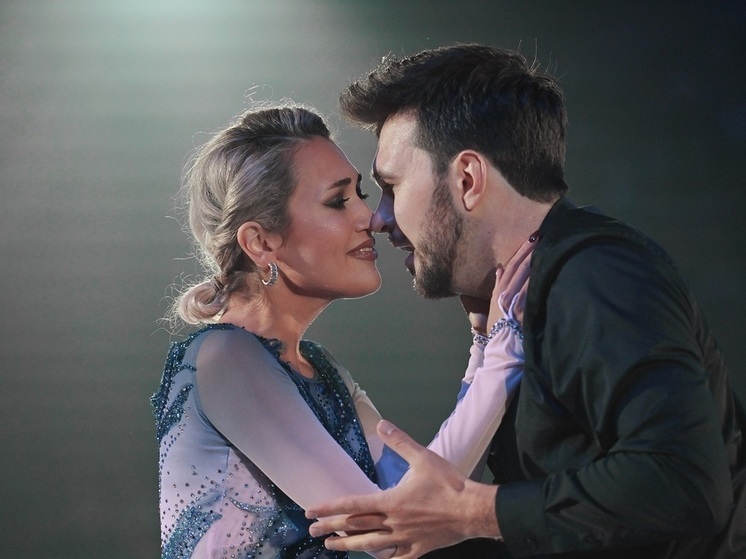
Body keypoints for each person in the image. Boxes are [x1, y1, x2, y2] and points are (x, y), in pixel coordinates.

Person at [305, 44, 746, 558]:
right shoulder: (523, 295)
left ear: (467, 180)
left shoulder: (595, 274)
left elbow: (685, 480)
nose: (379, 219)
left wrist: (471, 513)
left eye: (391, 187)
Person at [151, 103, 533, 559]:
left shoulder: (324, 370)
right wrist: (503, 350)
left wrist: (487, 346)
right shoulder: (224, 356)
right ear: (261, 242)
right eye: (338, 201)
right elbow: (389, 532)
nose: (369, 218)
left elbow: (429, 502)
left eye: (361, 195)